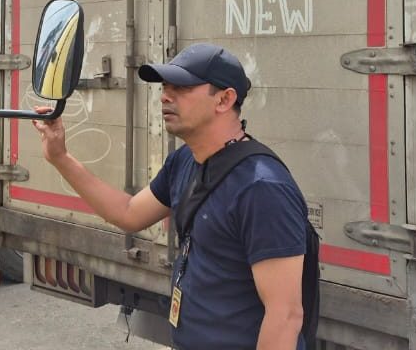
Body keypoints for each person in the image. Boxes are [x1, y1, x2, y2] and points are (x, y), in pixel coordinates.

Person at [31, 43, 316, 350]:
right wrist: (60, 157)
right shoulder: (185, 162)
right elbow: (128, 212)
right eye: (164, 87)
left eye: (181, 88)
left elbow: (285, 316)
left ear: (224, 99)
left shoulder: (261, 188)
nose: (165, 96)